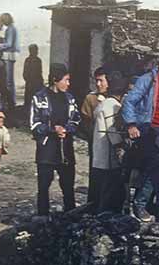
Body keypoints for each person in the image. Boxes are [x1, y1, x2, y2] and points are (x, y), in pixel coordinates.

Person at [122, 52, 159, 220]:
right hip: (148, 129)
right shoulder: (147, 80)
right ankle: (143, 204)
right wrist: (132, 124)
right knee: (155, 167)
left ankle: (149, 204)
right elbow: (129, 101)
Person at [30, 64, 80, 217]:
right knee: (44, 185)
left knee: (68, 185)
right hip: (47, 149)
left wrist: (67, 129)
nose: (68, 84)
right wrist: (52, 130)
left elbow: (76, 119)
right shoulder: (39, 98)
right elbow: (34, 124)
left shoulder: (70, 98)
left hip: (65, 148)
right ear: (55, 80)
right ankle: (42, 216)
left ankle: (70, 216)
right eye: (66, 80)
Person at [89, 72, 127, 213]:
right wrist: (120, 147)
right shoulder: (113, 106)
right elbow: (112, 132)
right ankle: (105, 213)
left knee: (104, 185)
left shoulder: (103, 104)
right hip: (107, 154)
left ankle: (102, 210)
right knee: (109, 186)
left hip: (100, 149)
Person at [80, 68, 110, 210]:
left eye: (101, 80)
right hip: (96, 143)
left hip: (112, 143)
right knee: (96, 173)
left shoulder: (115, 97)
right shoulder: (90, 99)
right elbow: (86, 122)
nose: (98, 84)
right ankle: (94, 203)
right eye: (96, 81)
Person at [0, 13, 19, 104]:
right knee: (10, 81)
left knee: (8, 81)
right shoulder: (13, 28)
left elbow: (9, 44)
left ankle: (10, 102)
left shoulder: (10, 29)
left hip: (9, 56)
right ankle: (11, 101)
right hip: (11, 55)